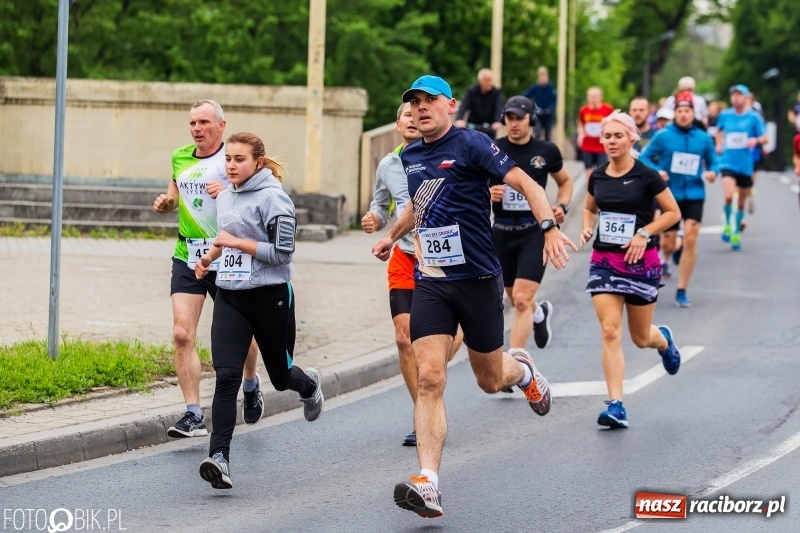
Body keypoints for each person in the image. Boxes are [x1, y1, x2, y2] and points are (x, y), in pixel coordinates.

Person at [373, 75, 576, 518]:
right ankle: (428, 482)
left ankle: (522, 372)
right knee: (430, 376)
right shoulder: (410, 154)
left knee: (489, 378)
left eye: (430, 101)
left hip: (480, 279)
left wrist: (549, 226)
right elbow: (420, 202)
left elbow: (525, 182)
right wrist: (394, 235)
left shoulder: (472, 144)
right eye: (414, 103)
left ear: (450, 105)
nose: (421, 108)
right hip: (433, 280)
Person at [194, 132, 324, 489]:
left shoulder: (274, 199)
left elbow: (283, 253)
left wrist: (237, 243)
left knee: (281, 377)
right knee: (226, 376)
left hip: (271, 296)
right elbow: (225, 239)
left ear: (258, 163)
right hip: (231, 296)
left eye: (239, 159)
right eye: (228, 159)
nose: (231, 165)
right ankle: (219, 457)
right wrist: (208, 258)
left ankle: (309, 384)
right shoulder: (226, 197)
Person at [153, 100, 262, 439]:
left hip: (226, 254)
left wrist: (230, 189)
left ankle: (250, 383)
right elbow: (175, 193)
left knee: (242, 338)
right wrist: (167, 202)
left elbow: (257, 195)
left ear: (221, 125)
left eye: (203, 122)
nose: (196, 129)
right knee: (182, 333)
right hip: (188, 253)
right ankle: (193, 413)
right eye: (192, 123)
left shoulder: (231, 159)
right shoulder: (180, 156)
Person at [361, 102, 463, 447]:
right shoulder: (388, 165)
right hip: (404, 256)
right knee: (404, 337)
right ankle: (423, 411)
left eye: (416, 113)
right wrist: (375, 219)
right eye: (405, 113)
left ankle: (441, 359)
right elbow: (380, 204)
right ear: (398, 123)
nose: (411, 118)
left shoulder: (445, 155)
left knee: (436, 346)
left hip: (445, 255)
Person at [579, 111, 682, 429]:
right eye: (606, 136)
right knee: (610, 331)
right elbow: (589, 208)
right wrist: (586, 228)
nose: (611, 141)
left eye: (617, 136)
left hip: (641, 263)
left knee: (640, 338)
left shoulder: (646, 175)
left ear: (630, 139)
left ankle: (662, 340)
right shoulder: (597, 176)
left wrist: (644, 232)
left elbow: (672, 213)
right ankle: (616, 405)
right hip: (605, 261)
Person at [490, 95, 574, 352]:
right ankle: (540, 313)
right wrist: (488, 191)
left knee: (523, 299)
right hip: (501, 231)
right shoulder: (492, 148)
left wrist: (562, 206)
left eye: (520, 118)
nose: (514, 124)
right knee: (514, 297)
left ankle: (515, 364)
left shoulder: (546, 151)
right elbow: (474, 183)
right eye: (510, 118)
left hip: (534, 232)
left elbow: (566, 182)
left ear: (531, 120)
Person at [640, 92, 720, 307]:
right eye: (680, 111)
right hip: (670, 196)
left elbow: (714, 161)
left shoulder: (703, 138)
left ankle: (682, 289)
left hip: (695, 194)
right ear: (675, 113)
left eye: (687, 111)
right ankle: (670, 253)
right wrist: (657, 171)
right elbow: (645, 157)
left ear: (694, 113)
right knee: (667, 242)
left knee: (692, 239)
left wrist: (713, 172)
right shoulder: (664, 136)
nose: (684, 115)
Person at [715, 84, 767, 251]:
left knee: (741, 202)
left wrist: (756, 141)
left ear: (746, 98)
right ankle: (728, 226)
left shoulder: (753, 117)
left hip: (745, 164)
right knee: (729, 196)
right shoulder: (725, 115)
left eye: (739, 95)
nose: (736, 97)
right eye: (733, 95)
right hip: (728, 161)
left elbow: (764, 137)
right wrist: (718, 144)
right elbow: (718, 131)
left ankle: (736, 231)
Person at [454, 68, 505, 139]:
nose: (490, 83)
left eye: (491, 80)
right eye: (487, 80)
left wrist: (497, 121)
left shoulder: (496, 92)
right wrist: (459, 119)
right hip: (473, 125)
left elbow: (499, 107)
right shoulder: (471, 91)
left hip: (489, 127)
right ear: (480, 81)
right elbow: (464, 105)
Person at [578, 87, 615, 178]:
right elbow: (581, 124)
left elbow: (613, 125)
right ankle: (590, 190)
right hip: (587, 145)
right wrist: (580, 135)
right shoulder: (583, 110)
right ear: (587, 97)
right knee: (588, 171)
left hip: (601, 146)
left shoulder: (608, 109)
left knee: (602, 170)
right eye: (591, 96)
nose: (593, 99)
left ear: (601, 97)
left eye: (595, 96)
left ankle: (600, 189)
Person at [523, 66, 557, 142]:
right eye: (541, 76)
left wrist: (549, 109)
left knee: (548, 137)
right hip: (538, 114)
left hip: (548, 115)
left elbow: (554, 100)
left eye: (544, 76)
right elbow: (525, 95)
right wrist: (532, 106)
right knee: (537, 135)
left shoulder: (551, 88)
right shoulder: (535, 87)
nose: (542, 78)